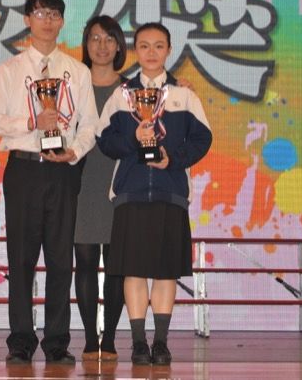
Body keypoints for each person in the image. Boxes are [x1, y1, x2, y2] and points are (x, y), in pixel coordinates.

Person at [0, 0, 99, 365]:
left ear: (62, 21)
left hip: (62, 170)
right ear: (27, 20)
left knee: (61, 259)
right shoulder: (10, 70)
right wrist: (31, 122)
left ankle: (57, 342)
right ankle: (20, 340)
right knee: (21, 259)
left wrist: (74, 152)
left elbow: (90, 125)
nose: (47, 20)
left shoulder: (77, 72)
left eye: (54, 14)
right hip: (23, 169)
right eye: (40, 13)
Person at [96, 22, 213, 366]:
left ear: (169, 50)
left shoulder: (184, 95)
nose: (151, 52)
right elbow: (104, 140)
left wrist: (172, 159)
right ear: (136, 50)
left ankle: (160, 342)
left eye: (158, 46)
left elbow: (202, 139)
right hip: (131, 192)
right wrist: (133, 140)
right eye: (144, 46)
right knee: (133, 271)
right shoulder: (122, 95)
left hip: (170, 191)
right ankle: (138, 343)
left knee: (165, 271)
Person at [73, 16, 128, 361]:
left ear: (119, 45)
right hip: (81, 181)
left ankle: (109, 339)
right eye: (95, 38)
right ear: (86, 44)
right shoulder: (73, 86)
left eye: (109, 39)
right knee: (85, 261)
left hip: (119, 182)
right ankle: (90, 339)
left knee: (116, 264)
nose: (102, 46)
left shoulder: (131, 90)